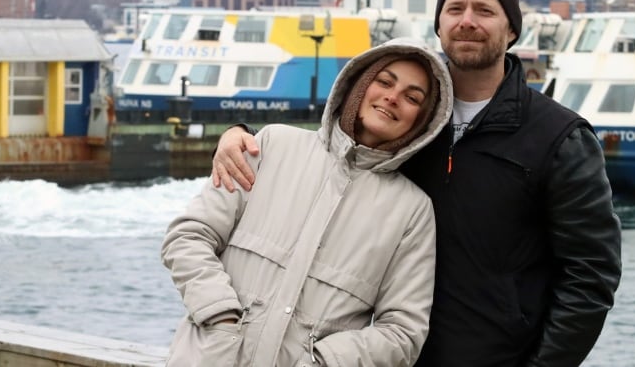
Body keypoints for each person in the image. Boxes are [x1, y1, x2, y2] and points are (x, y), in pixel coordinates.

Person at [211, 0, 622, 366]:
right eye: (455, 9)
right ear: (439, 26)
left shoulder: (560, 137)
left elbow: (591, 276)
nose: (467, 21)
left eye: (485, 11)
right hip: (381, 355)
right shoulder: (409, 120)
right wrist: (238, 134)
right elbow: (335, 149)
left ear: (512, 30)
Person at [161, 37, 453, 366]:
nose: (392, 97)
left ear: (423, 120)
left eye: (412, 97)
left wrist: (323, 361)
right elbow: (188, 236)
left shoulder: (412, 212)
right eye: (384, 81)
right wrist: (220, 317)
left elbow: (402, 333)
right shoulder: (271, 145)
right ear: (358, 84)